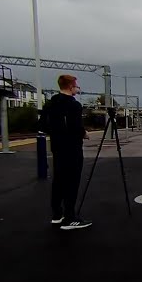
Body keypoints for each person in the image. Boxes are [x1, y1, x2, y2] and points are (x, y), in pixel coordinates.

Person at [39, 74, 92, 229]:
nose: (77, 88)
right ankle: (70, 218)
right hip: (72, 148)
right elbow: (76, 127)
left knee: (59, 180)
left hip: (57, 147)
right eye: (76, 85)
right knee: (72, 182)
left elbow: (42, 125)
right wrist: (83, 133)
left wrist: (57, 133)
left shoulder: (51, 103)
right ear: (70, 86)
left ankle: (57, 214)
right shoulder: (73, 105)